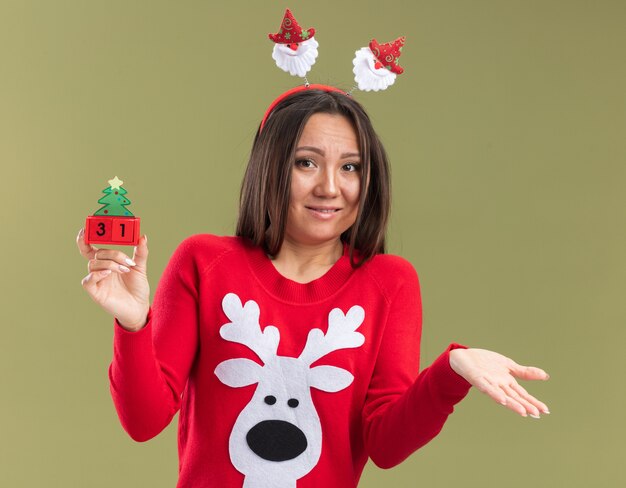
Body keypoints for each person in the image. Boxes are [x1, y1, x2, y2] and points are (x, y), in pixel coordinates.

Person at [77, 88, 549, 488]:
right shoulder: (205, 262)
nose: (330, 187)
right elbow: (143, 422)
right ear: (271, 166)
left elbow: (385, 445)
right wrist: (133, 321)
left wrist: (451, 371)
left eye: (350, 168)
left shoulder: (390, 283)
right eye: (307, 163)